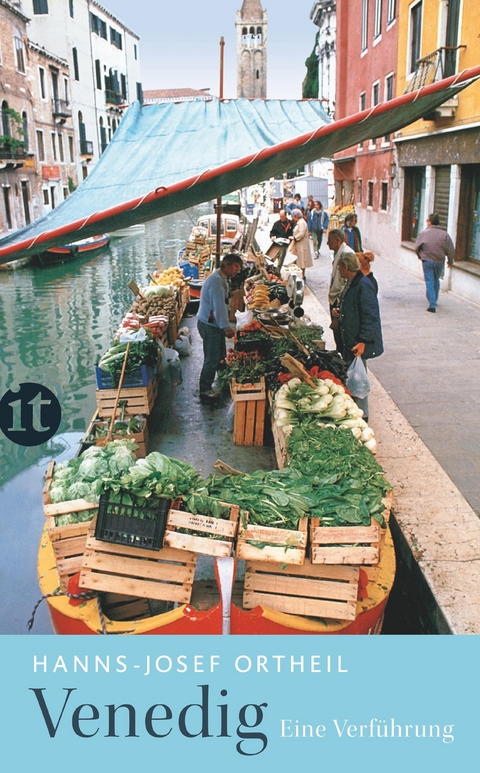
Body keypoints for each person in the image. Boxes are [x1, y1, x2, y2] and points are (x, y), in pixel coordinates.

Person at [333, 252, 384, 421]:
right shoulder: (351, 283)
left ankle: (363, 417)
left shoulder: (364, 285)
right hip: (349, 342)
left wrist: (363, 341)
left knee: (359, 378)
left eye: (339, 267)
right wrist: (340, 313)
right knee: (352, 376)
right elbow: (353, 309)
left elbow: (371, 316)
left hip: (357, 344)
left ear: (346, 267)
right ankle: (354, 412)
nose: (338, 270)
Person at [197, 253, 243, 401]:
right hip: (209, 325)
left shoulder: (220, 277)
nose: (237, 270)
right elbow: (219, 307)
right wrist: (226, 327)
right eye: (236, 266)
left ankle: (223, 379)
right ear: (227, 265)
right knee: (212, 357)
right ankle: (205, 389)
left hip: (212, 323)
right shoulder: (216, 281)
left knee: (220, 353)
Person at [415, 213, 455, 313]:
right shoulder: (445, 235)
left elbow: (417, 247)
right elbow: (451, 250)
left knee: (429, 281)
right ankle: (434, 299)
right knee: (436, 280)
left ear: (430, 222)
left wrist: (420, 255)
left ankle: (432, 304)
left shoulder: (424, 233)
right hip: (439, 261)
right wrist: (450, 261)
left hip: (427, 260)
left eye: (427, 221)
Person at [327, 228, 356, 350]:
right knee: (337, 336)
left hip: (339, 301)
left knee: (341, 336)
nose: (327, 243)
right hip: (335, 299)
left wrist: (339, 303)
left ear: (338, 240)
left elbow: (347, 282)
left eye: (329, 241)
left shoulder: (346, 254)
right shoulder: (338, 252)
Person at [288, 208, 312, 280]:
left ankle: (302, 276)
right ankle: (300, 275)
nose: (292, 218)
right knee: (300, 260)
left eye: (293, 217)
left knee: (302, 261)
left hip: (302, 245)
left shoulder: (302, 223)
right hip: (299, 244)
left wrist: (294, 238)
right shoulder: (299, 222)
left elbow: (301, 233)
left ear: (295, 216)